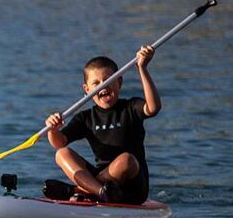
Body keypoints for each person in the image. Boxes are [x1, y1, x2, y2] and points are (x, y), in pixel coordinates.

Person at [43, 45, 161, 205]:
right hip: (102, 186)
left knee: (126, 159)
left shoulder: (131, 107)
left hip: (133, 187)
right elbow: (59, 142)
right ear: (86, 89)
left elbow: (153, 108)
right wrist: (52, 129)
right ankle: (99, 193)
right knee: (61, 154)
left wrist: (142, 67)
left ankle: (79, 191)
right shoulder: (86, 118)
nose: (103, 86)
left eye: (108, 80)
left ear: (119, 82)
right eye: (96, 83)